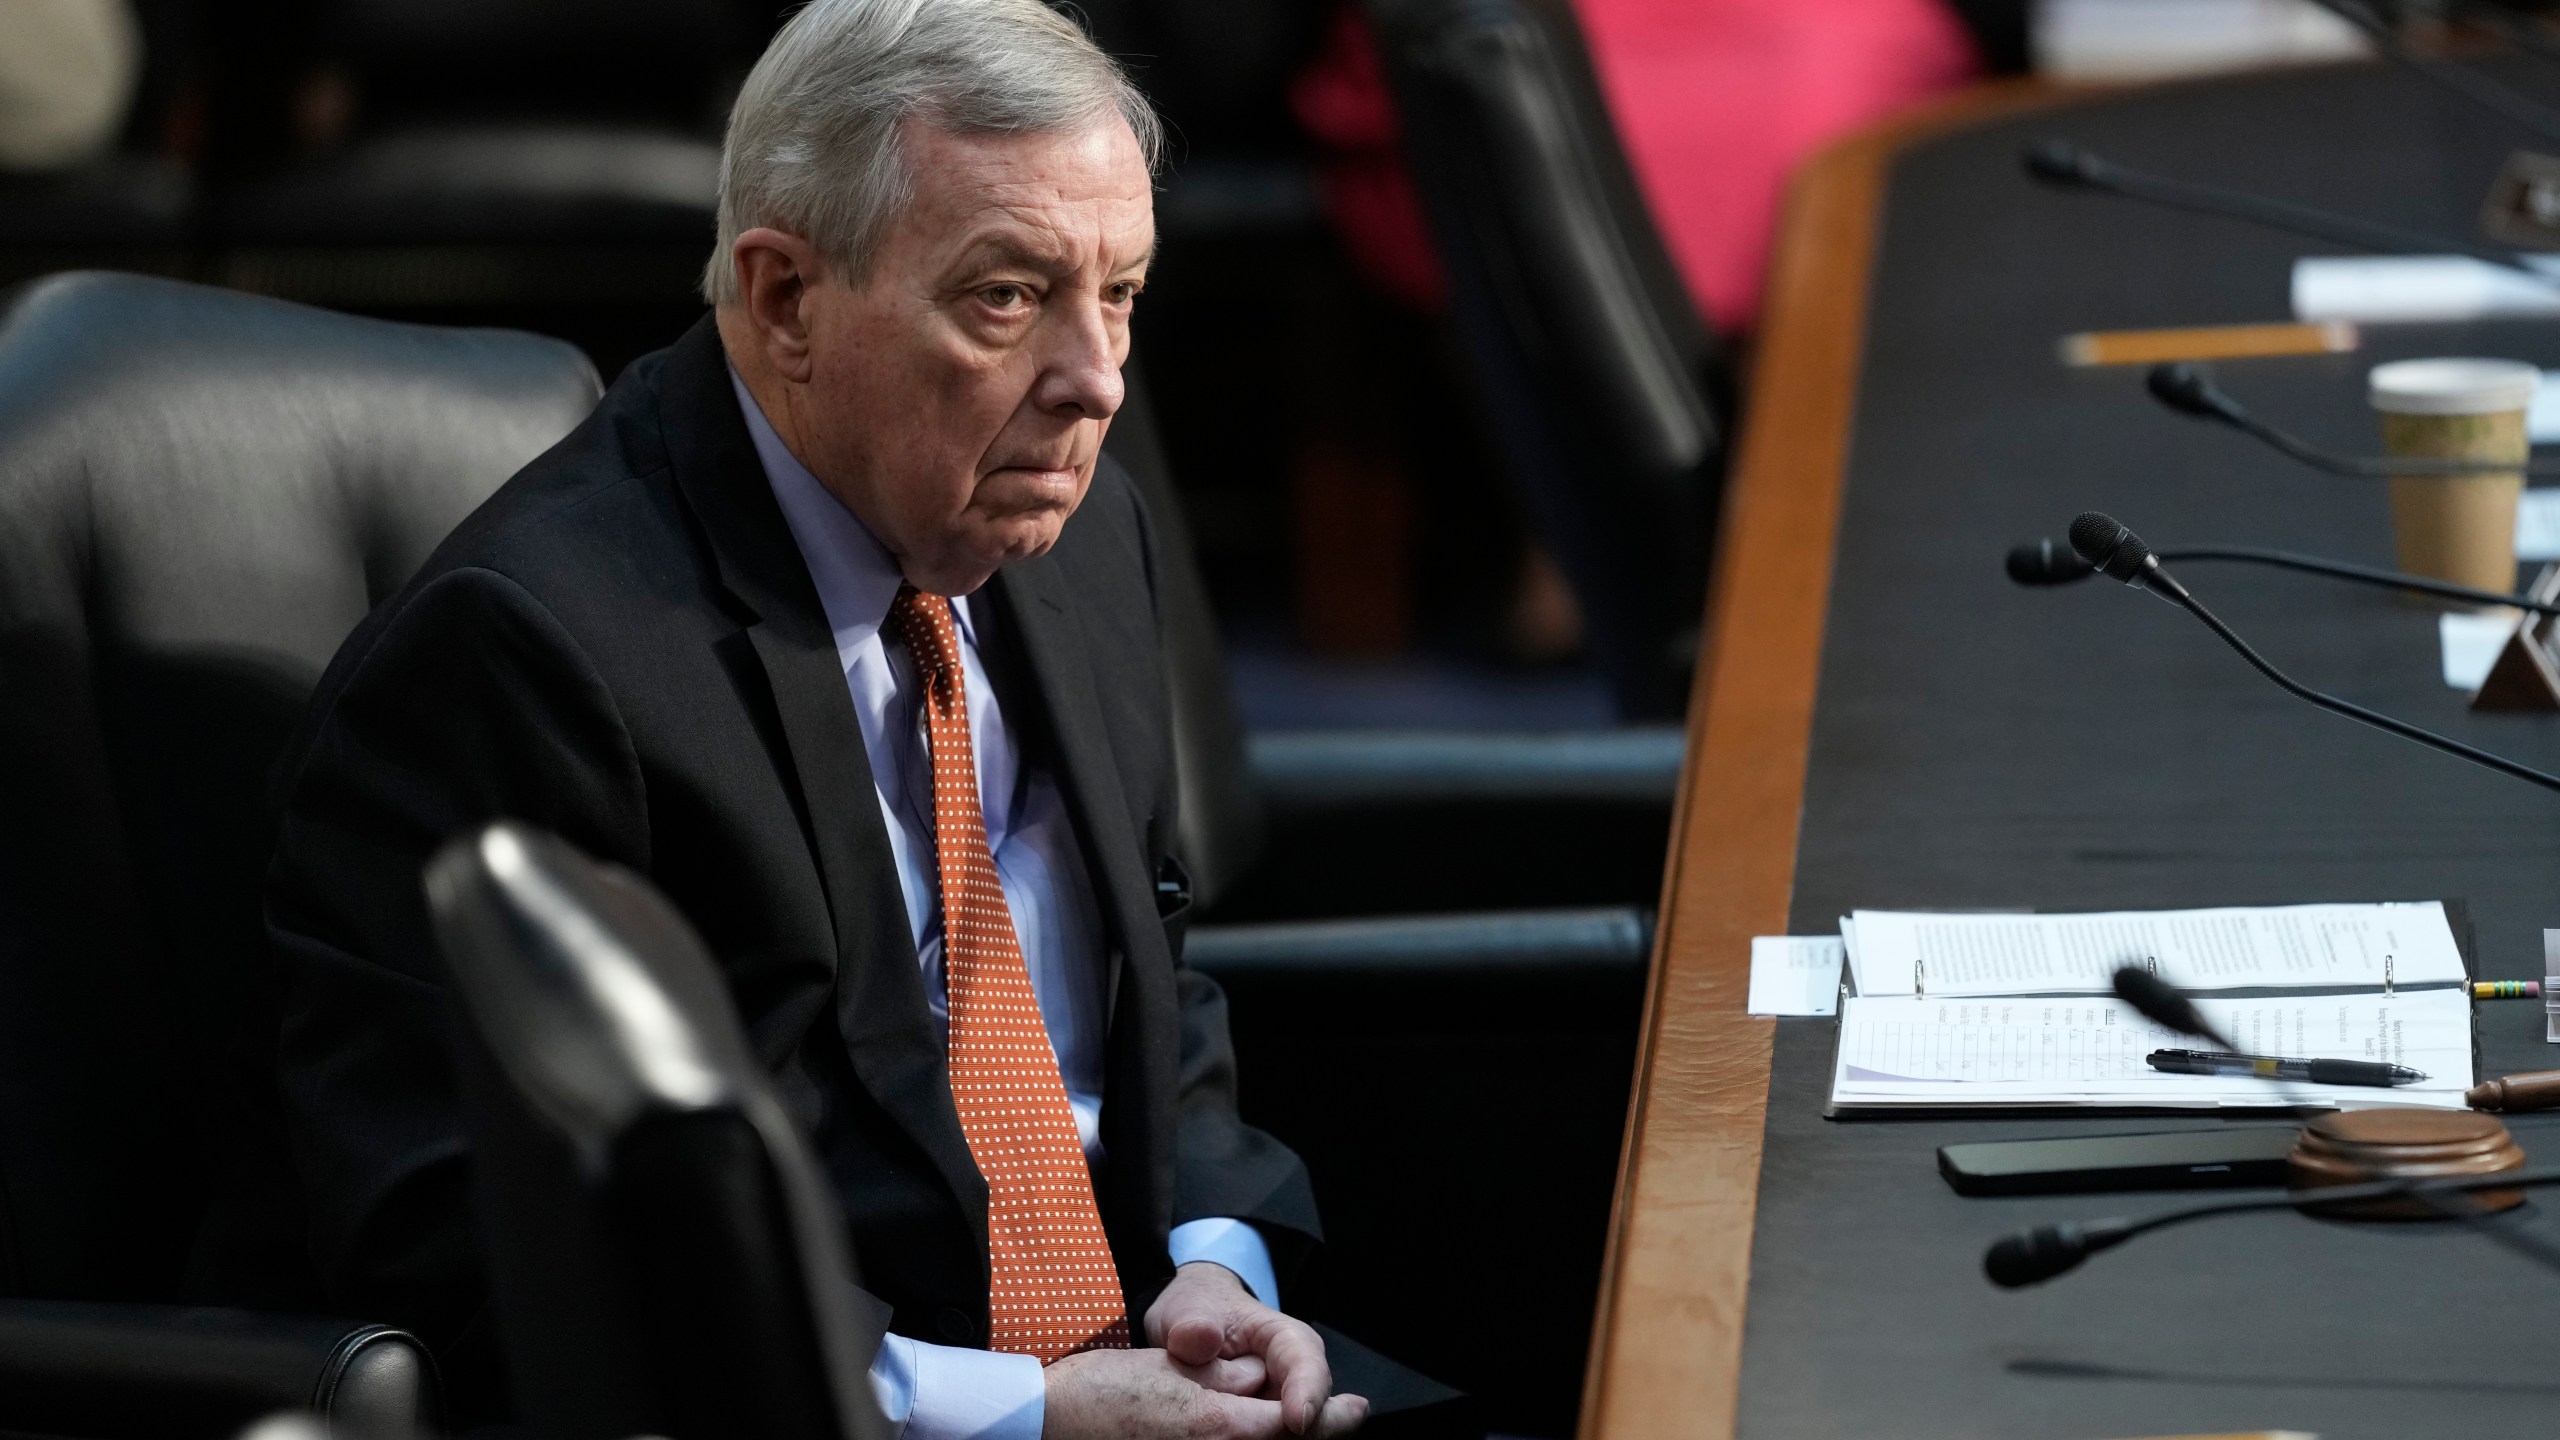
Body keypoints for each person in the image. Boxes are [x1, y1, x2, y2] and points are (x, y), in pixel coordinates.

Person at [263, 1, 1466, 1435]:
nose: (1096, 383)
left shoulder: (1075, 534)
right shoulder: (527, 654)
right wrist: (1023, 1412)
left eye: (1124, 293)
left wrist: (1217, 1266)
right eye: (1009, 297)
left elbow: (1149, 988)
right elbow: (496, 1250)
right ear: (784, 301)